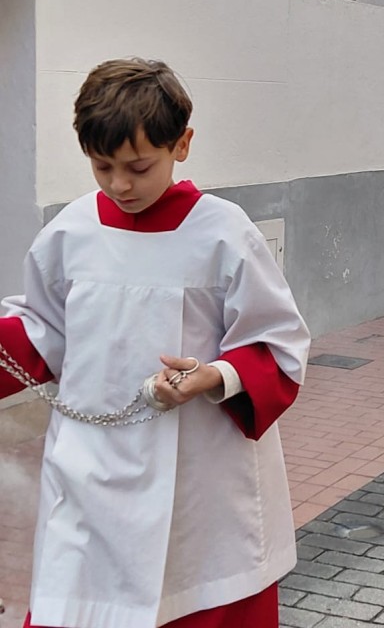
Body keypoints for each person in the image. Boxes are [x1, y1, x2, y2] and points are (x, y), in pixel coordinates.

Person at [1, 58, 310, 628]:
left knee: (192, 597)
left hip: (198, 476)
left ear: (182, 145)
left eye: (138, 167)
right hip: (89, 474)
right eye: (102, 167)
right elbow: (41, 332)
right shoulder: (70, 234)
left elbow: (278, 342)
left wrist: (213, 376)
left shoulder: (223, 233)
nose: (120, 185)